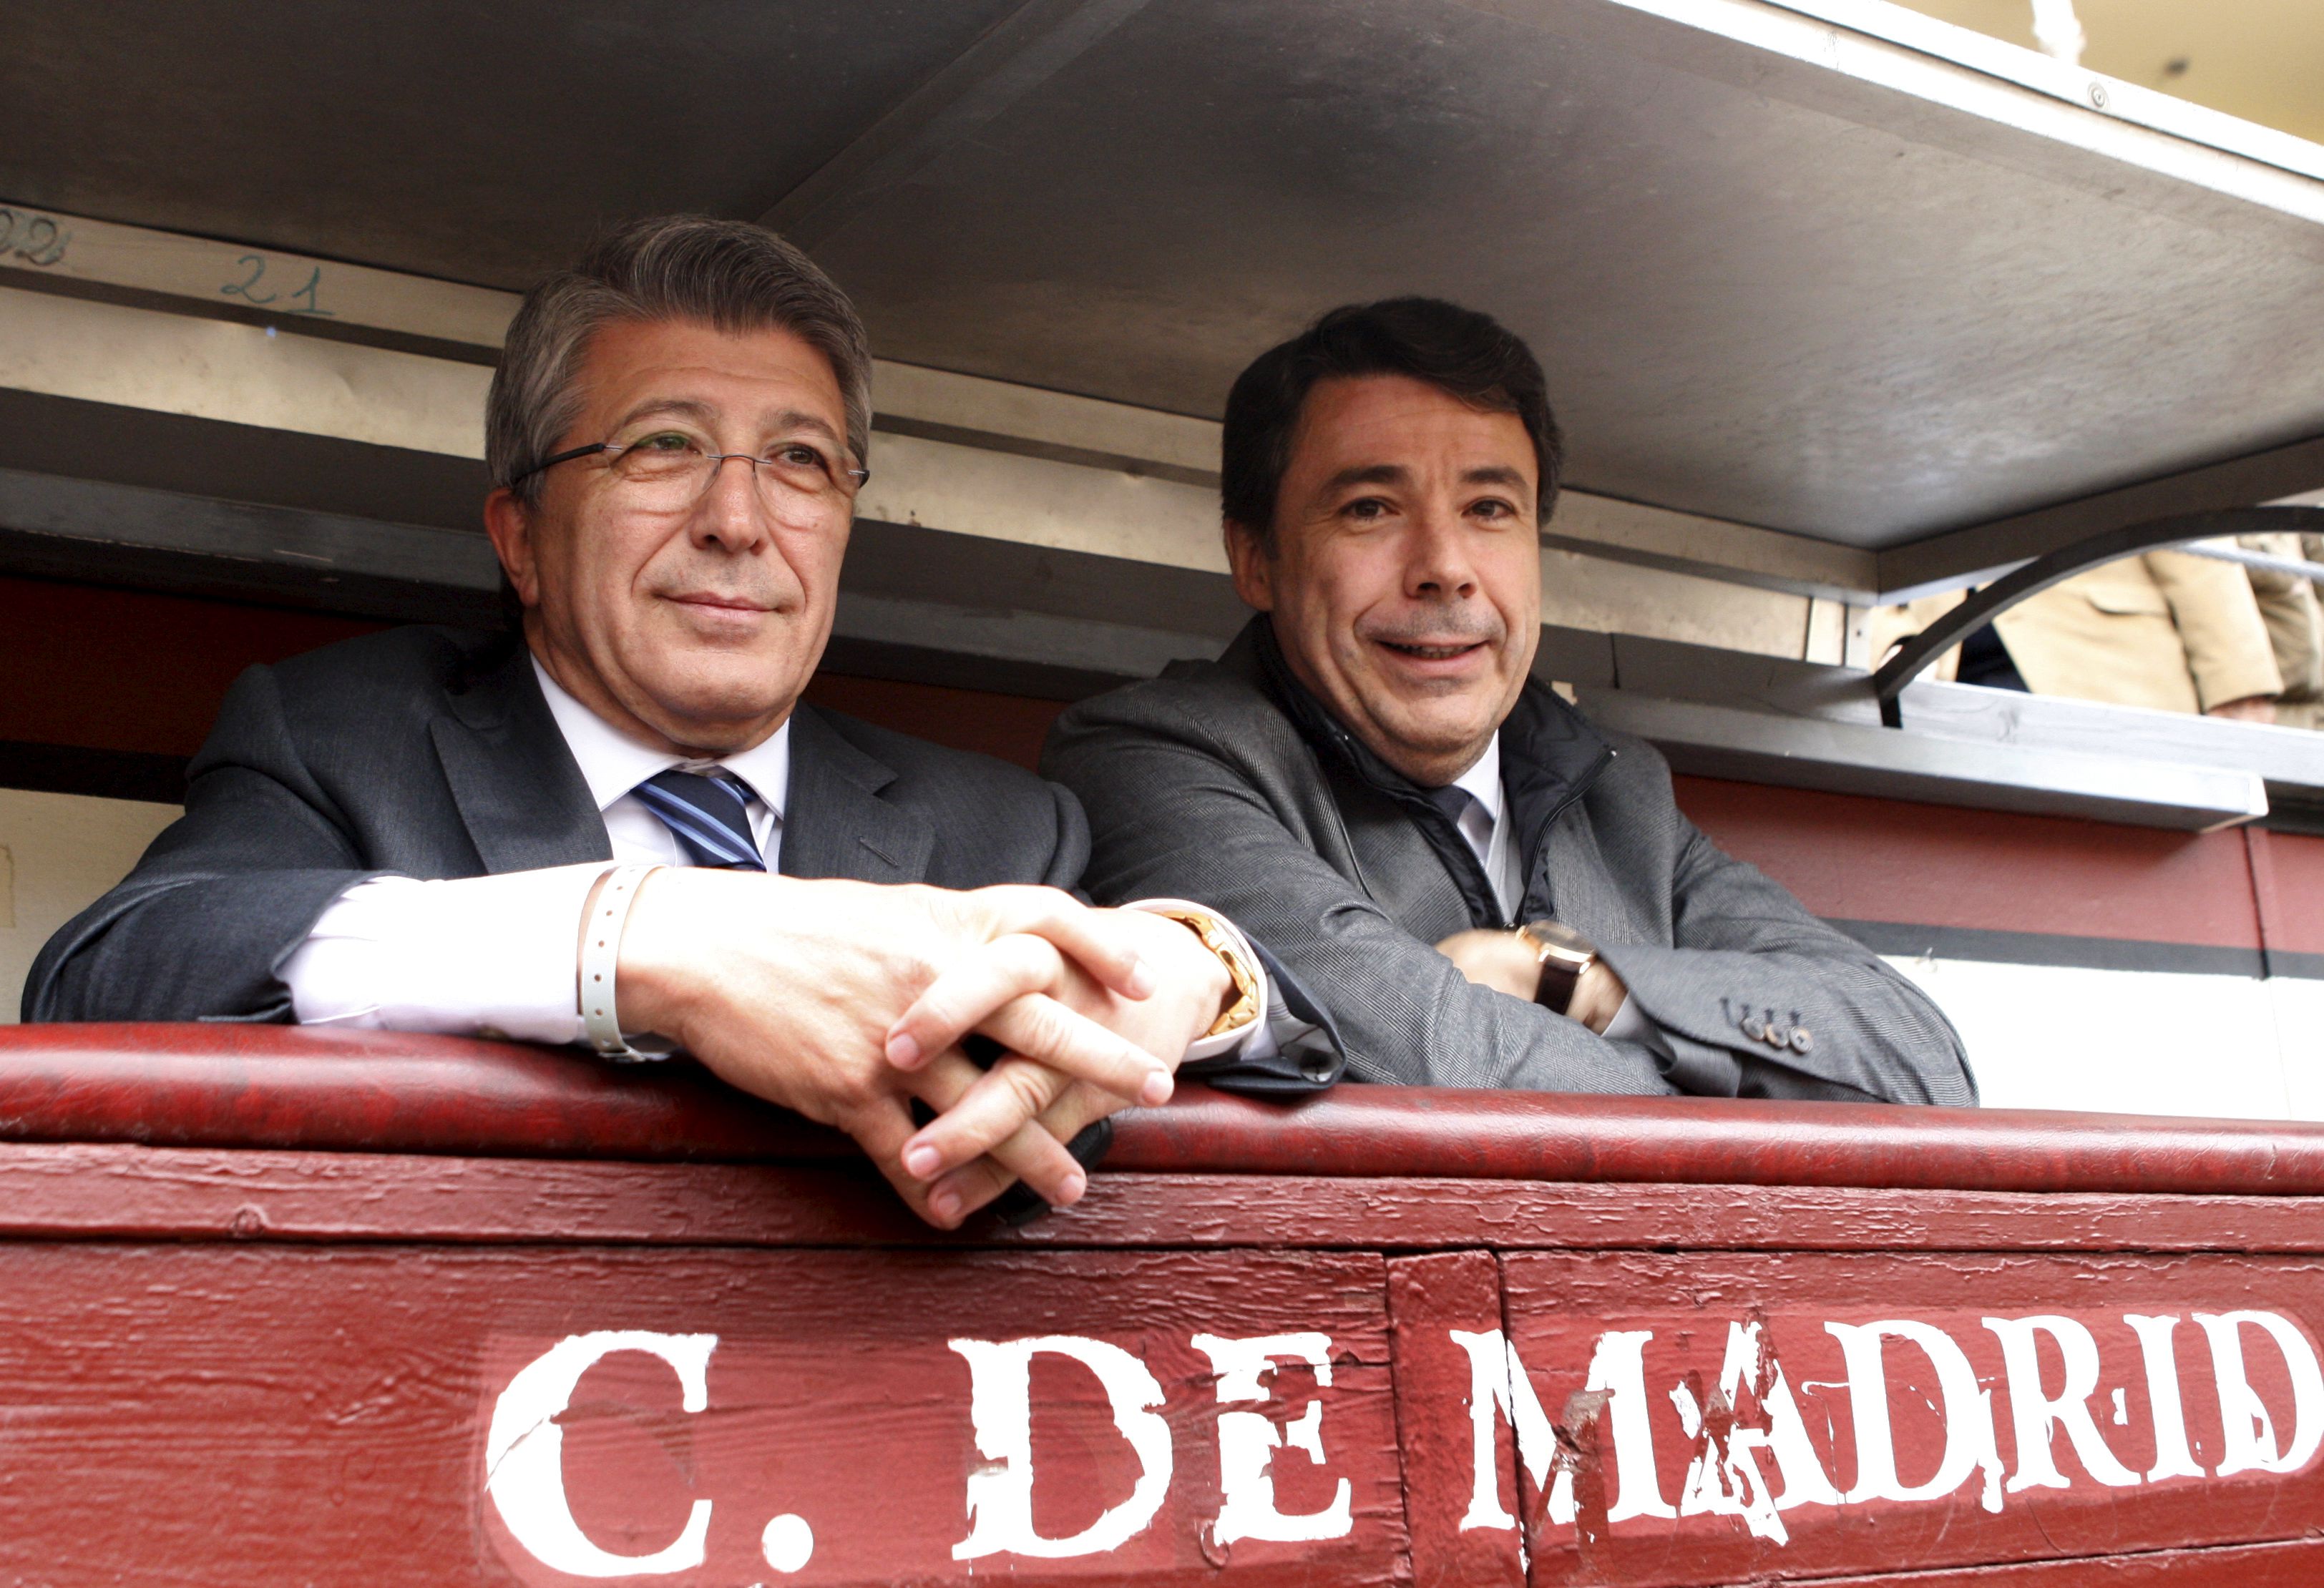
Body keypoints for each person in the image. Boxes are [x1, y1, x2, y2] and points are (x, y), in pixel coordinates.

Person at [25, 217, 1338, 1227]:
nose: (738, 518)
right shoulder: (339, 734)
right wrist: (644, 937)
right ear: (521, 537)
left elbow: (1264, 1020)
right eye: (662, 446)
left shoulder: (1000, 819)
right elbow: (109, 977)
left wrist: (1194, 970)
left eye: (801, 461)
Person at [1044, 299, 1973, 1104]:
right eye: (1371, 506)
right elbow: (1446, 1069)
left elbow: (1923, 1066)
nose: (1445, 568)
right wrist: (1739, 1084)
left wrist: (1578, 983)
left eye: (1490, 509)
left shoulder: (1620, 795)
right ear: (1257, 557)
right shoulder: (1148, 758)